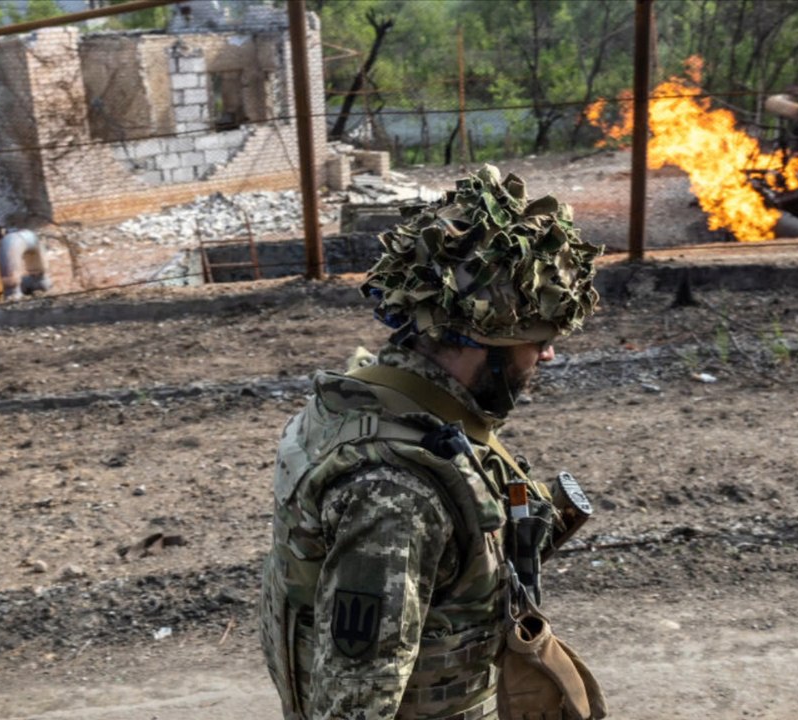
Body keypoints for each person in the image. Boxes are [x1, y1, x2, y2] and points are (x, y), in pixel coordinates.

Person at [260, 165, 607, 720]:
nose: (548, 354)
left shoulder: (375, 398)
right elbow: (354, 705)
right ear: (479, 341)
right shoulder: (397, 493)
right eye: (538, 338)